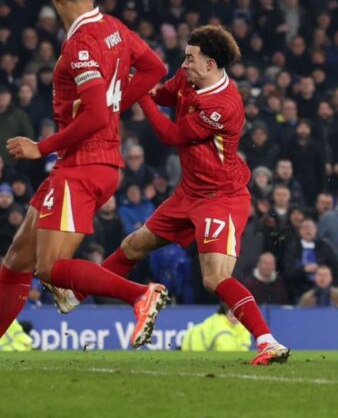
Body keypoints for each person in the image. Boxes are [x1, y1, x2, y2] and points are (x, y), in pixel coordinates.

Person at [50, 25, 289, 366]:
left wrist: (142, 92)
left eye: (191, 58)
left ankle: (268, 341)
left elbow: (171, 134)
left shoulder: (224, 104)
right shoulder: (188, 76)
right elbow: (162, 95)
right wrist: (117, 90)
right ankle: (75, 294)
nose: (185, 63)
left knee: (214, 278)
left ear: (210, 65)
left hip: (220, 198)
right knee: (134, 245)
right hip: (188, 193)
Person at [0, 0, 168, 348]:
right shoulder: (114, 29)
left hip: (83, 164)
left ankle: (140, 295)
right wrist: (115, 104)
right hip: (91, 163)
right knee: (16, 262)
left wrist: (40, 146)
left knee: (51, 268)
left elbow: (93, 113)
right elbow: (155, 67)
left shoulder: (80, 44)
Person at [181, 303, 251, 352]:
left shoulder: (242, 326)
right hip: (192, 346)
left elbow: (244, 346)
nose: (235, 318)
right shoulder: (220, 326)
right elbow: (227, 352)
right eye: (232, 315)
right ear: (225, 313)